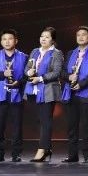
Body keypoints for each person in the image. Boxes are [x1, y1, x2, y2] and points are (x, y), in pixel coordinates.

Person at [0, 28, 27, 162]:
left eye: (10, 39)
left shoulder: (24, 57)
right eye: (4, 39)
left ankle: (16, 154)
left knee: (16, 127)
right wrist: (3, 74)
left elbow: (27, 76)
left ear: (16, 41)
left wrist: (18, 82)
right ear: (1, 41)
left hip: (17, 97)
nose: (7, 42)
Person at [24, 27, 64, 163]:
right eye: (42, 36)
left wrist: (40, 78)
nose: (43, 39)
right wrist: (28, 72)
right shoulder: (35, 51)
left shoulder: (56, 53)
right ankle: (47, 148)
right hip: (34, 90)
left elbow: (57, 72)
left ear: (53, 40)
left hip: (48, 90)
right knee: (40, 120)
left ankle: (42, 149)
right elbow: (27, 67)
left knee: (46, 120)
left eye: (47, 37)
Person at [62, 26, 88, 163]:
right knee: (72, 126)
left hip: (87, 93)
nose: (81, 37)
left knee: (86, 126)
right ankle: (72, 155)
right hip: (71, 93)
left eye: (84, 34)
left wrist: (82, 84)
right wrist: (69, 77)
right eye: (78, 35)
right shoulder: (71, 53)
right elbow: (62, 71)